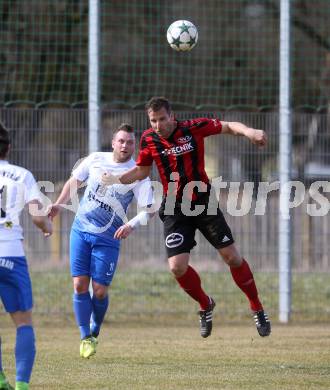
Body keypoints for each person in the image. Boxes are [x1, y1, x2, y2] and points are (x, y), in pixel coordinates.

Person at [101, 96, 271, 338]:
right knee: (177, 267)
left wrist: (250, 131)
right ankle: (205, 304)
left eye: (162, 119)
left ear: (171, 116)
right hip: (173, 207)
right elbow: (141, 171)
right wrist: (116, 180)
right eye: (153, 120)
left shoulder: (192, 128)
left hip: (202, 201)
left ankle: (257, 307)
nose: (158, 124)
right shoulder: (148, 139)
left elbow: (229, 125)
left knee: (232, 258)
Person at [48, 123, 154, 358]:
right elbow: (74, 181)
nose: (125, 145)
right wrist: (59, 203)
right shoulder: (96, 159)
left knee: (100, 291)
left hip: (108, 238)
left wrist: (130, 225)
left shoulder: (138, 173)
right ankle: (85, 337)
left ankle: (95, 330)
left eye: (130, 142)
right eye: (121, 141)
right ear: (114, 142)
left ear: (134, 146)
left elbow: (149, 210)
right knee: (79, 285)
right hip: (81, 231)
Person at [0, 123, 53, 390]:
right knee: (23, 323)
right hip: (10, 254)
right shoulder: (22, 175)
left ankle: (0, 379)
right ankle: (21, 385)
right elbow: (36, 216)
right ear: (8, 147)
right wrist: (48, 227)